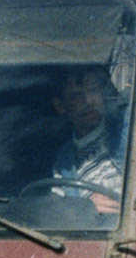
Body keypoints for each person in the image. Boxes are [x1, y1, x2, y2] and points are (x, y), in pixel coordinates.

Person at [50, 65, 126, 214]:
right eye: (77, 95)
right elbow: (56, 211)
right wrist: (84, 208)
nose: (88, 101)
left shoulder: (126, 129)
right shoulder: (64, 162)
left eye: (93, 90)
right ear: (60, 106)